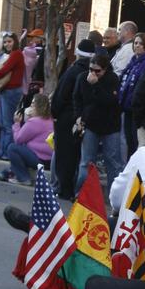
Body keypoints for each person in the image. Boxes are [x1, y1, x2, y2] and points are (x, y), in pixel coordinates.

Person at [50, 39, 94, 199]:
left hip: (66, 117)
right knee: (74, 155)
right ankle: (68, 187)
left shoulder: (73, 71)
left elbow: (61, 95)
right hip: (79, 118)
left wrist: (55, 113)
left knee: (64, 154)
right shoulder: (90, 73)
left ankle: (64, 188)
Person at [74, 53, 122, 194]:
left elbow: (111, 101)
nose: (93, 73)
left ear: (105, 69)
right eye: (91, 69)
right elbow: (77, 99)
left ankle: (114, 196)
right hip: (90, 124)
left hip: (110, 125)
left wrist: (96, 85)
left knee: (113, 162)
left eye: (97, 71)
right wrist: (78, 117)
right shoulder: (82, 78)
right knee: (87, 162)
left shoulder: (112, 79)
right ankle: (81, 194)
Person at [0, 94, 53, 184]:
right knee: (21, 149)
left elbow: (18, 139)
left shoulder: (34, 122)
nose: (30, 106)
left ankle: (23, 178)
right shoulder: (50, 120)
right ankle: (6, 173)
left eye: (33, 104)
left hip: (39, 159)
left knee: (12, 148)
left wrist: (17, 124)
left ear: (38, 106)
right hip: (49, 160)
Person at [119, 33, 145, 158]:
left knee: (134, 143)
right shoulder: (133, 62)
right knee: (129, 141)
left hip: (136, 110)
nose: (138, 46)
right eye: (135, 43)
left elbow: (142, 89)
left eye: (141, 43)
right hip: (127, 108)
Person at [0, 32, 25, 159]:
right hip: (5, 90)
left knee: (7, 125)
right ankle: (2, 151)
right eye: (5, 42)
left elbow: (4, 70)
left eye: (10, 41)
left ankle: (7, 152)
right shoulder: (11, 54)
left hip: (11, 91)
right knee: (2, 123)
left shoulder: (17, 54)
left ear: (15, 42)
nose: (7, 44)